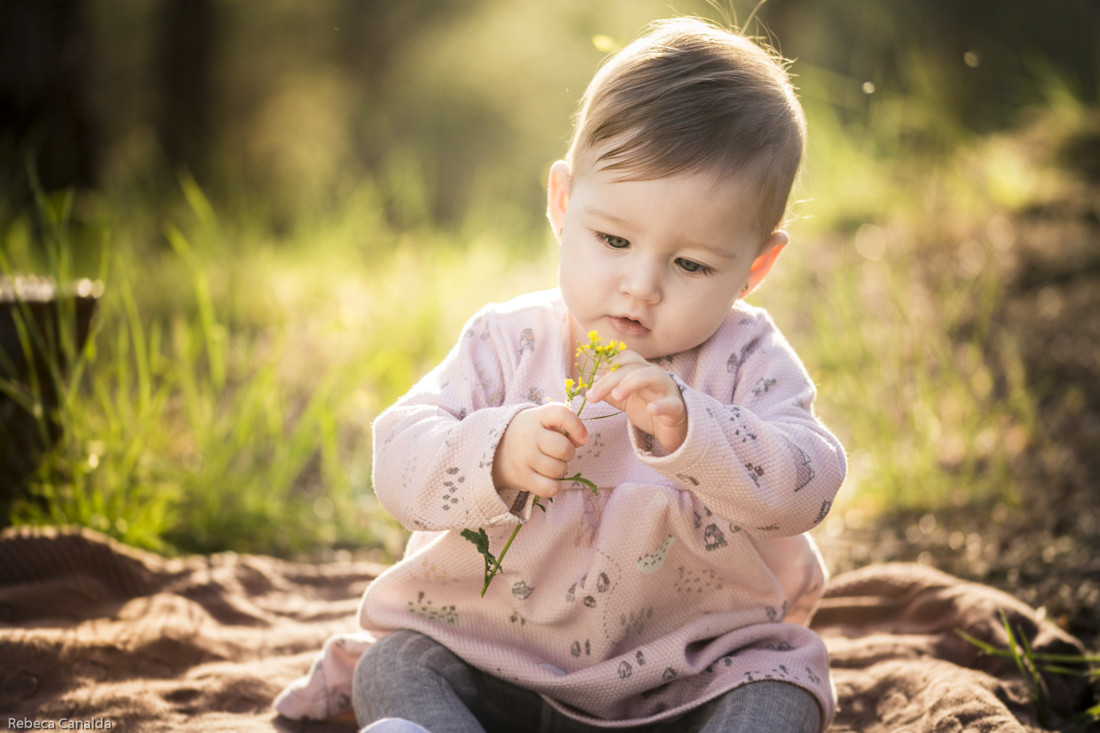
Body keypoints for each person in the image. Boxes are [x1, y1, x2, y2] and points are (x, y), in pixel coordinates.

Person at [275, 16, 846, 733]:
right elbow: (397, 460)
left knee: (783, 690)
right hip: (498, 660)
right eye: (613, 239)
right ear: (563, 203)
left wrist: (695, 431)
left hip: (688, 676)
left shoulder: (745, 361)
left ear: (755, 266)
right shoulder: (507, 343)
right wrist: (497, 450)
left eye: (691, 264)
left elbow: (811, 485)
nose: (640, 286)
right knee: (395, 664)